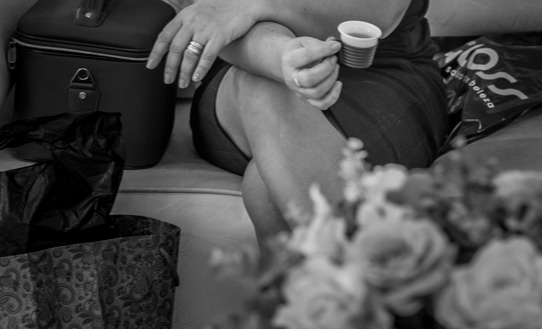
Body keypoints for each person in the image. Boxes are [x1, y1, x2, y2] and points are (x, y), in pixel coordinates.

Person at [145, 0, 448, 250]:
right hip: (244, 68)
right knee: (262, 88)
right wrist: (283, 56)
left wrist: (253, 5)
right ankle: (365, 288)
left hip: (382, 75)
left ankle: (319, 299)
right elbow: (216, 22)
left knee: (265, 190)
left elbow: (380, 11)